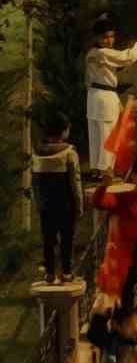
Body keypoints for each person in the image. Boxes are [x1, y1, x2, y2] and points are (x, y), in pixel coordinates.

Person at [84, 16, 137, 177]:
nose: (109, 40)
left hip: (96, 96)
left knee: (97, 136)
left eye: (111, 36)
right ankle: (106, 172)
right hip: (103, 96)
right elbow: (127, 57)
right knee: (108, 135)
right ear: (97, 38)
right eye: (105, 37)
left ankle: (98, 171)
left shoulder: (92, 53)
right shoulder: (100, 53)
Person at [27, 114, 81, 283]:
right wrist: (79, 204)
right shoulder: (69, 152)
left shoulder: (36, 152)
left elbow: (34, 182)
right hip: (65, 203)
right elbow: (75, 181)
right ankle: (66, 272)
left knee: (48, 239)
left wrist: (38, 203)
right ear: (63, 131)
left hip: (45, 205)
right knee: (67, 238)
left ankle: (49, 273)